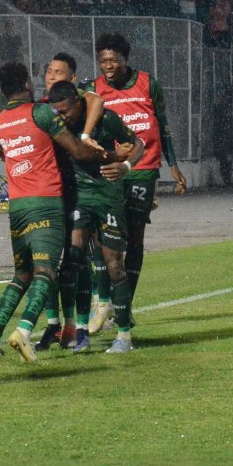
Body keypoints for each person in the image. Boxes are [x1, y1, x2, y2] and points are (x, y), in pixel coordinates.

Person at [0, 62, 128, 362]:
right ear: (28, 84)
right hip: (46, 202)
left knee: (22, 274)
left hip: (16, 205)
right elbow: (78, 151)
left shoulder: (0, 120)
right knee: (47, 271)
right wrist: (112, 155)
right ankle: (25, 330)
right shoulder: (41, 112)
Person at [85, 32, 187, 330]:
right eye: (103, 61)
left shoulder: (148, 83)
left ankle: (124, 304)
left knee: (135, 237)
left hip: (143, 167)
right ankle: (107, 302)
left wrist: (174, 164)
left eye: (113, 60)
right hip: (112, 168)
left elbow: (163, 125)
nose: (108, 66)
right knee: (106, 238)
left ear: (125, 60)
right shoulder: (94, 88)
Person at [46, 81, 144, 353]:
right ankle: (79, 332)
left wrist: (125, 166)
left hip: (109, 197)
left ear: (78, 103)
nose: (62, 117)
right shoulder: (59, 125)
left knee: (114, 265)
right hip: (80, 198)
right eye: (58, 112)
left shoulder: (107, 119)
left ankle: (124, 336)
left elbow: (138, 143)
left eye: (65, 111)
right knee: (75, 259)